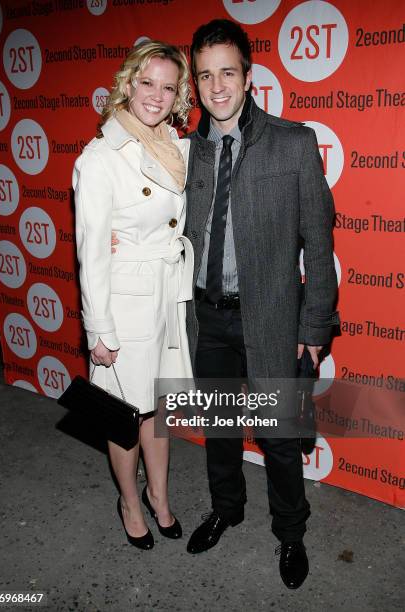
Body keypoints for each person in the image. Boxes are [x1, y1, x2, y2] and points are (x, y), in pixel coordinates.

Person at [183, 19, 339, 589]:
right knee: (220, 428)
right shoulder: (187, 152)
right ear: (195, 84)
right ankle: (226, 509)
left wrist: (315, 326)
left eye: (228, 71)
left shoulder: (293, 142)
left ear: (249, 77)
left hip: (272, 316)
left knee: (277, 435)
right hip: (206, 319)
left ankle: (291, 534)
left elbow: (320, 246)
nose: (217, 86)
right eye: (205, 75)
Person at [73, 41, 194, 551]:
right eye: (148, 82)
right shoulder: (102, 157)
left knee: (158, 410)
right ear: (129, 83)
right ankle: (129, 501)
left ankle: (159, 496)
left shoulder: (171, 143)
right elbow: (91, 251)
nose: (157, 95)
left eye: (169, 87)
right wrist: (99, 328)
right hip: (123, 306)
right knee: (124, 416)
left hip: (164, 299)